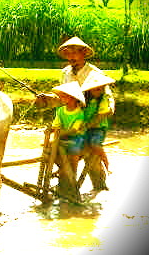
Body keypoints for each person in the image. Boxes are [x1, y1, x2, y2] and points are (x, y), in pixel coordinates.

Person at [35, 36, 115, 191]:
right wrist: (47, 99)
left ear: (83, 53)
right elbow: (63, 97)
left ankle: (96, 187)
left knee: (90, 158)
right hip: (69, 120)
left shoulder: (95, 73)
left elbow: (108, 98)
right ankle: (66, 185)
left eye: (74, 53)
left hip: (90, 123)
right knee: (58, 151)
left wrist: (101, 115)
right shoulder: (65, 73)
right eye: (67, 54)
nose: (70, 57)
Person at [51, 81, 86, 201]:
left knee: (73, 150)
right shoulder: (60, 111)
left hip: (75, 137)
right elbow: (56, 124)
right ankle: (62, 169)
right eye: (62, 96)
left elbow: (74, 130)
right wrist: (54, 131)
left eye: (65, 96)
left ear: (73, 98)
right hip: (61, 136)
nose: (62, 98)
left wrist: (60, 133)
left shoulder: (80, 113)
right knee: (49, 150)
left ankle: (72, 176)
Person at [81, 71, 116, 190]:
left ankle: (107, 164)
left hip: (98, 127)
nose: (98, 91)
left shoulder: (104, 99)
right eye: (96, 89)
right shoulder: (84, 99)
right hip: (85, 127)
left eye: (101, 89)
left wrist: (86, 126)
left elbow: (99, 117)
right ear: (89, 90)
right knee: (81, 145)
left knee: (94, 144)